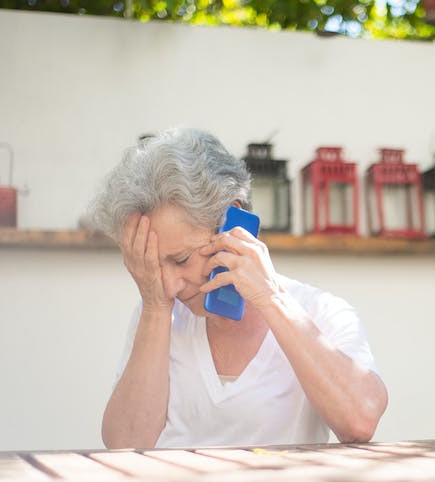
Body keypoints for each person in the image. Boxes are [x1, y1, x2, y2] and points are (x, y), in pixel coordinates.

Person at [89, 128, 387, 449]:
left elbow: (361, 421)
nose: (170, 284)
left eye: (181, 259)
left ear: (234, 224)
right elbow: (124, 446)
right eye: (154, 265)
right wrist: (155, 309)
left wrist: (271, 299)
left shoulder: (322, 312)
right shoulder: (158, 308)